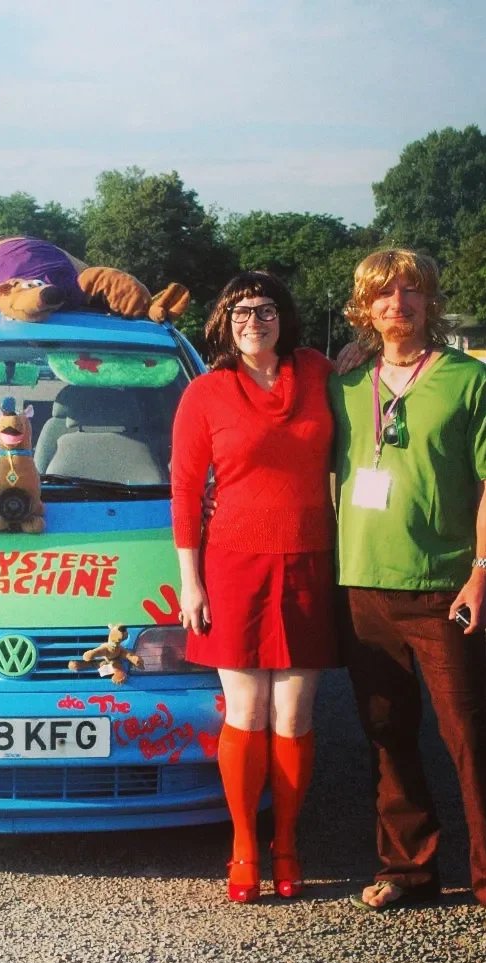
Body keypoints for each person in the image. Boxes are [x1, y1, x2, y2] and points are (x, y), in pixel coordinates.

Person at [171, 272, 337, 903]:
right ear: (224, 323)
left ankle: (287, 842)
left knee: (294, 713)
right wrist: (191, 583)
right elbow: (186, 493)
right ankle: (244, 844)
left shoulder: (321, 374)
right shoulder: (206, 394)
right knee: (246, 712)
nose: (253, 322)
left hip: (308, 561)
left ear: (282, 317)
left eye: (264, 310)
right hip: (232, 567)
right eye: (239, 312)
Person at [330, 249, 486, 911]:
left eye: (411, 292)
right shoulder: (342, 382)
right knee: (387, 734)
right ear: (366, 309)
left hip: (444, 585)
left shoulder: (466, 380)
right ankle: (408, 871)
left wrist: (481, 573)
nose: (399, 303)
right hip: (362, 585)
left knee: (470, 737)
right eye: (385, 294)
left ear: (429, 303)